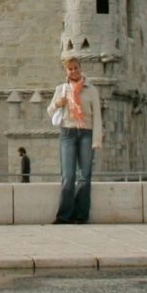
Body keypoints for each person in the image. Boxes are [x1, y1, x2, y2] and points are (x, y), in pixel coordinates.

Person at [47, 56, 100, 223]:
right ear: (66, 71)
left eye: (76, 67)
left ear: (80, 68)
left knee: (85, 175)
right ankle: (64, 216)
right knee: (68, 176)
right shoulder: (62, 89)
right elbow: (49, 111)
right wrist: (58, 104)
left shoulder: (91, 90)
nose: (74, 71)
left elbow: (97, 117)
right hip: (67, 133)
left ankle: (81, 215)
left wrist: (97, 139)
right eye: (70, 68)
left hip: (86, 133)